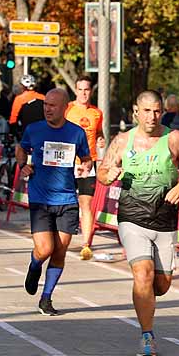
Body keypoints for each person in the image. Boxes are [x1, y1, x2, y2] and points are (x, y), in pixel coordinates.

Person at [96, 90, 179, 355]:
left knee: (161, 285)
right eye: (147, 111)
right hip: (132, 217)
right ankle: (147, 334)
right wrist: (110, 175)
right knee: (143, 273)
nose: (152, 117)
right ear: (136, 112)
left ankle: (145, 297)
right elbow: (103, 173)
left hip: (164, 219)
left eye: (157, 111)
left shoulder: (173, 138)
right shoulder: (122, 141)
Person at [17, 88, 92, 316]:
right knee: (45, 249)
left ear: (65, 108)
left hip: (67, 198)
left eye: (52, 106)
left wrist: (85, 166)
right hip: (41, 197)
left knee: (60, 251)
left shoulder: (76, 133)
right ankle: (34, 266)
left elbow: (86, 158)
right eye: (45, 105)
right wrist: (23, 165)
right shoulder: (34, 129)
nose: (47, 109)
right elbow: (22, 149)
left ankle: (46, 298)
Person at [64, 75, 105, 260]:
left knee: (86, 203)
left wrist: (100, 139)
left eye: (87, 90)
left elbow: (99, 132)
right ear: (75, 90)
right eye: (80, 89)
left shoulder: (97, 113)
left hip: (88, 163)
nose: (83, 93)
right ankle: (62, 237)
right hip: (68, 162)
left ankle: (86, 244)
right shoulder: (67, 109)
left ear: (91, 91)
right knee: (66, 201)